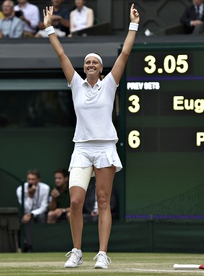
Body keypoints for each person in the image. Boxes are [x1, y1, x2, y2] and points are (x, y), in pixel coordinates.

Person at [44, 3, 139, 269]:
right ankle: (76, 251)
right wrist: (50, 27)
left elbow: (126, 52)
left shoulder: (110, 84)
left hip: (105, 147)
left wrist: (133, 24)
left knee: (103, 201)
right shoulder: (75, 83)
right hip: (82, 149)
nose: (90, 64)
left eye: (95, 62)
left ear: (101, 67)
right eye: (87, 62)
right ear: (84, 68)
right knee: (75, 201)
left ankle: (102, 253)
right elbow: (61, 54)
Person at [16, 169, 50, 252]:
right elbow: (26, 208)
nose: (31, 181)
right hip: (26, 214)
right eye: (29, 179)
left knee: (41, 217)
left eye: (33, 179)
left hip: (39, 213)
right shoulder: (20, 189)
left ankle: (42, 244)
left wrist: (31, 213)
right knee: (26, 219)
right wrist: (30, 196)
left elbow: (44, 207)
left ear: (38, 180)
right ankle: (29, 246)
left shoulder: (45, 188)